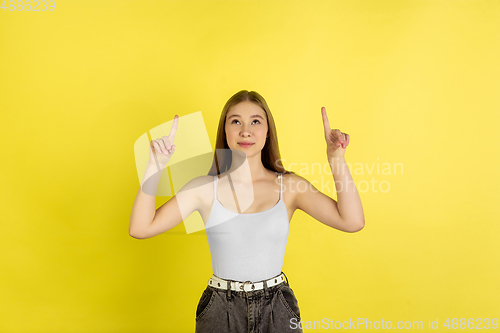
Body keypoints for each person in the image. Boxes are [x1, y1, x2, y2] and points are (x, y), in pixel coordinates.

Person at [129, 90, 365, 332]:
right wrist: (154, 166)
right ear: (225, 131)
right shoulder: (203, 189)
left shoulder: (291, 187)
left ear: (267, 131)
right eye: (235, 122)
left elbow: (352, 221)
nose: (245, 130)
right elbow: (140, 228)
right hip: (221, 310)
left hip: (278, 308)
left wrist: (336, 158)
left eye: (255, 121)